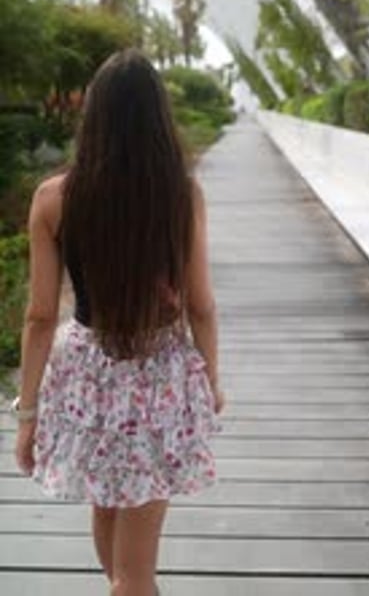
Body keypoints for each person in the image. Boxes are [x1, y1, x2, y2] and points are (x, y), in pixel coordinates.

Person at [13, 49, 224, 596]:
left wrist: (28, 411)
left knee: (108, 511)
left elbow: (39, 316)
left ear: (95, 117)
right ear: (158, 118)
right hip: (159, 381)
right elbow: (200, 304)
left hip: (87, 379)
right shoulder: (180, 196)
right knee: (134, 577)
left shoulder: (53, 198)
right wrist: (211, 379)